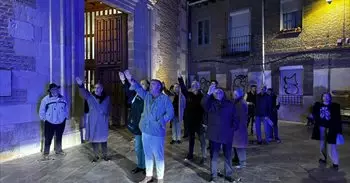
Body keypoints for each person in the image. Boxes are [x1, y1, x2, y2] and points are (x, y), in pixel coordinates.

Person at [124, 70, 174, 183]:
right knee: (148, 155)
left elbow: (170, 113)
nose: (150, 86)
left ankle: (160, 179)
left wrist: (161, 121)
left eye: (153, 85)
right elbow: (138, 88)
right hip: (145, 130)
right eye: (150, 84)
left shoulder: (165, 99)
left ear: (159, 87)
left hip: (157, 132)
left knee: (158, 156)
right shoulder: (147, 96)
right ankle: (148, 176)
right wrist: (130, 79)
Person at [202, 85, 237, 183]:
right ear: (213, 94)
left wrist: (234, 126)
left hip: (227, 134)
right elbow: (203, 103)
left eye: (220, 92)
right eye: (216, 92)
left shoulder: (230, 104)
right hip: (215, 135)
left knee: (228, 155)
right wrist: (208, 93)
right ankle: (213, 176)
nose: (219, 93)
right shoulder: (210, 104)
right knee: (214, 156)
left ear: (224, 94)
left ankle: (228, 175)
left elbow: (235, 117)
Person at [119, 72, 150, 174]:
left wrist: (131, 79)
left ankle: (147, 168)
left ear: (148, 86)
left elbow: (139, 90)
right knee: (138, 148)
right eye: (140, 83)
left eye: (143, 84)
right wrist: (124, 81)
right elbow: (128, 91)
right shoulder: (135, 95)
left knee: (145, 148)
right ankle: (140, 166)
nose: (141, 85)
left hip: (145, 126)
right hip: (137, 126)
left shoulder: (148, 96)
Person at [75, 77, 110, 162]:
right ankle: (95, 156)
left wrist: (108, 117)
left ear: (102, 89)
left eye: (98, 88)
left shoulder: (107, 98)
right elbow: (83, 93)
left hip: (103, 122)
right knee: (94, 139)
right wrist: (80, 85)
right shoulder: (90, 97)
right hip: (93, 121)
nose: (96, 89)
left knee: (103, 139)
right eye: (95, 87)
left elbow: (109, 108)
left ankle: (105, 155)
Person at [178, 73, 207, 164]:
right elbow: (183, 88)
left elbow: (205, 109)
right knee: (191, 139)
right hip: (190, 121)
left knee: (202, 140)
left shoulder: (202, 96)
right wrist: (180, 78)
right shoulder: (189, 94)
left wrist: (204, 122)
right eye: (193, 85)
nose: (194, 86)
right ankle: (190, 154)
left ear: (198, 87)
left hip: (199, 122)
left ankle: (204, 156)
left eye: (196, 85)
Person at [311, 92, 342, 171]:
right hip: (321, 127)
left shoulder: (334, 106)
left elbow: (338, 119)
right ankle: (323, 158)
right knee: (322, 144)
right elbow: (314, 114)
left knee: (332, 146)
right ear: (322, 98)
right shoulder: (318, 106)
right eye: (324, 96)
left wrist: (338, 130)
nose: (326, 98)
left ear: (330, 98)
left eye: (327, 96)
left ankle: (335, 163)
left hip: (331, 128)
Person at [39, 83, 69, 160]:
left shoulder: (63, 98)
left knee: (59, 136)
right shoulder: (45, 99)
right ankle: (46, 153)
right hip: (49, 122)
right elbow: (41, 111)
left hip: (61, 121)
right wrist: (45, 119)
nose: (55, 90)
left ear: (58, 89)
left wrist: (65, 117)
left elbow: (66, 108)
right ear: (50, 91)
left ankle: (58, 150)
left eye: (56, 89)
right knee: (48, 137)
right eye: (53, 89)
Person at [232, 88, 248, 168]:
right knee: (238, 145)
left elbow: (239, 117)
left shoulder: (240, 103)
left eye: (235, 94)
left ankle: (242, 163)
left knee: (240, 146)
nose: (233, 96)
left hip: (239, 128)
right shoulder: (239, 102)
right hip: (239, 128)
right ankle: (240, 161)